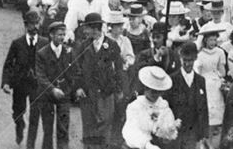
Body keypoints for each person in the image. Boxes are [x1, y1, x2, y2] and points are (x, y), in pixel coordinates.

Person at [74, 12, 124, 149]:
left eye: (87, 28)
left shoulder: (112, 45)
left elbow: (119, 70)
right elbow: (77, 68)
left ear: (95, 28)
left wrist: (119, 90)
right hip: (88, 92)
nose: (84, 31)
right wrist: (78, 87)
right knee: (88, 125)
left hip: (106, 92)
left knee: (105, 124)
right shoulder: (83, 46)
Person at [2, 9, 47, 148]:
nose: (35, 27)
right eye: (31, 24)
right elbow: (8, 64)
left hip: (36, 84)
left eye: (37, 24)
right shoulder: (17, 43)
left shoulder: (45, 42)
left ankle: (30, 144)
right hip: (20, 83)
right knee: (17, 111)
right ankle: (19, 126)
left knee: (35, 113)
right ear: (26, 25)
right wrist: (6, 83)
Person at [33, 21, 74, 149]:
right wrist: (52, 89)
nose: (62, 37)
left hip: (64, 96)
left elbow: (74, 72)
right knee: (48, 130)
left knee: (63, 129)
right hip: (47, 96)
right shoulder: (42, 53)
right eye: (59, 35)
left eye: (63, 34)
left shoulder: (68, 52)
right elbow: (40, 76)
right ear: (51, 35)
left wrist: (70, 88)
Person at [121, 66, 180, 149]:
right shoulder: (135, 106)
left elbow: (168, 126)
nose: (155, 94)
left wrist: (168, 134)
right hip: (137, 146)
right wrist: (147, 145)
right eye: (152, 90)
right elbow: (131, 131)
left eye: (158, 91)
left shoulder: (163, 106)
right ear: (145, 88)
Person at [166, 43, 208, 149]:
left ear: (195, 59)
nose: (187, 64)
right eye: (184, 60)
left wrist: (204, 133)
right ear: (180, 58)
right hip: (176, 131)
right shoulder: (172, 79)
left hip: (193, 131)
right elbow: (167, 106)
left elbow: (203, 108)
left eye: (190, 60)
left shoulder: (200, 80)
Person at [193, 23, 227, 147]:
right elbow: (198, 72)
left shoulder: (220, 52)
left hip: (216, 82)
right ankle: (206, 141)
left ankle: (215, 140)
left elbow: (222, 70)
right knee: (207, 110)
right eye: (210, 40)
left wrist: (219, 77)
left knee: (218, 112)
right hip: (205, 83)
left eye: (214, 39)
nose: (213, 42)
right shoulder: (200, 54)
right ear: (205, 40)